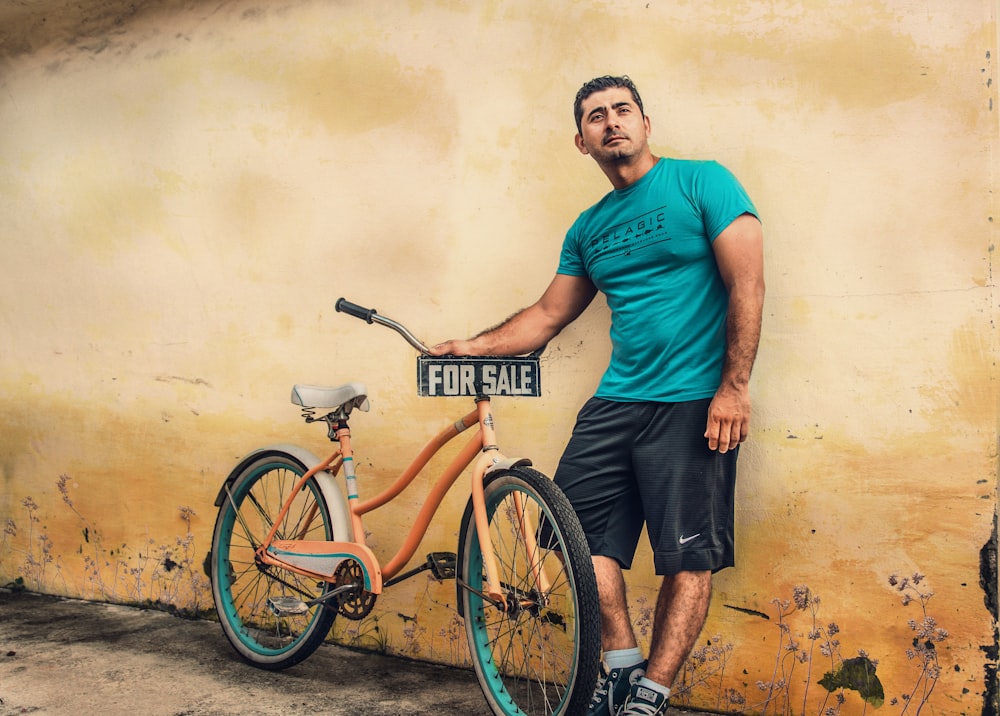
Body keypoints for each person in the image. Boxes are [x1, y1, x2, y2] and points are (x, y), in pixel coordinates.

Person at [431, 75, 764, 716]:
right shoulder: (588, 228)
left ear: (645, 122)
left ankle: (652, 694)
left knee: (687, 556)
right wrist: (471, 347)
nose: (610, 122)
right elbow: (547, 315)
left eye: (621, 110)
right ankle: (620, 663)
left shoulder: (704, 183)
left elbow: (747, 285)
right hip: (616, 404)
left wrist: (734, 387)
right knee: (576, 538)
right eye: (595, 117)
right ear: (581, 141)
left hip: (693, 400)